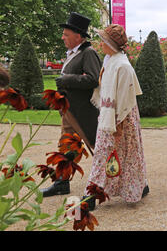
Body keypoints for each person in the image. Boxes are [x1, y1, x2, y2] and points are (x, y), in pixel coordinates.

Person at [83, 24, 148, 210]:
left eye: (102, 40)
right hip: (109, 115)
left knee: (126, 154)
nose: (99, 43)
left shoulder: (122, 65)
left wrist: (118, 124)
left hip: (122, 117)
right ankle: (96, 192)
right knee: (106, 154)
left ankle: (94, 194)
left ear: (110, 43)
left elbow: (126, 98)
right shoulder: (110, 60)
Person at [41, 12, 102, 197]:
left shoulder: (88, 53)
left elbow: (94, 79)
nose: (62, 37)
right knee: (66, 145)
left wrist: (67, 79)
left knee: (97, 147)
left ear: (78, 36)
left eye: (66, 34)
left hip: (83, 113)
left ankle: (123, 179)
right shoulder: (74, 53)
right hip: (69, 110)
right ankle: (61, 182)